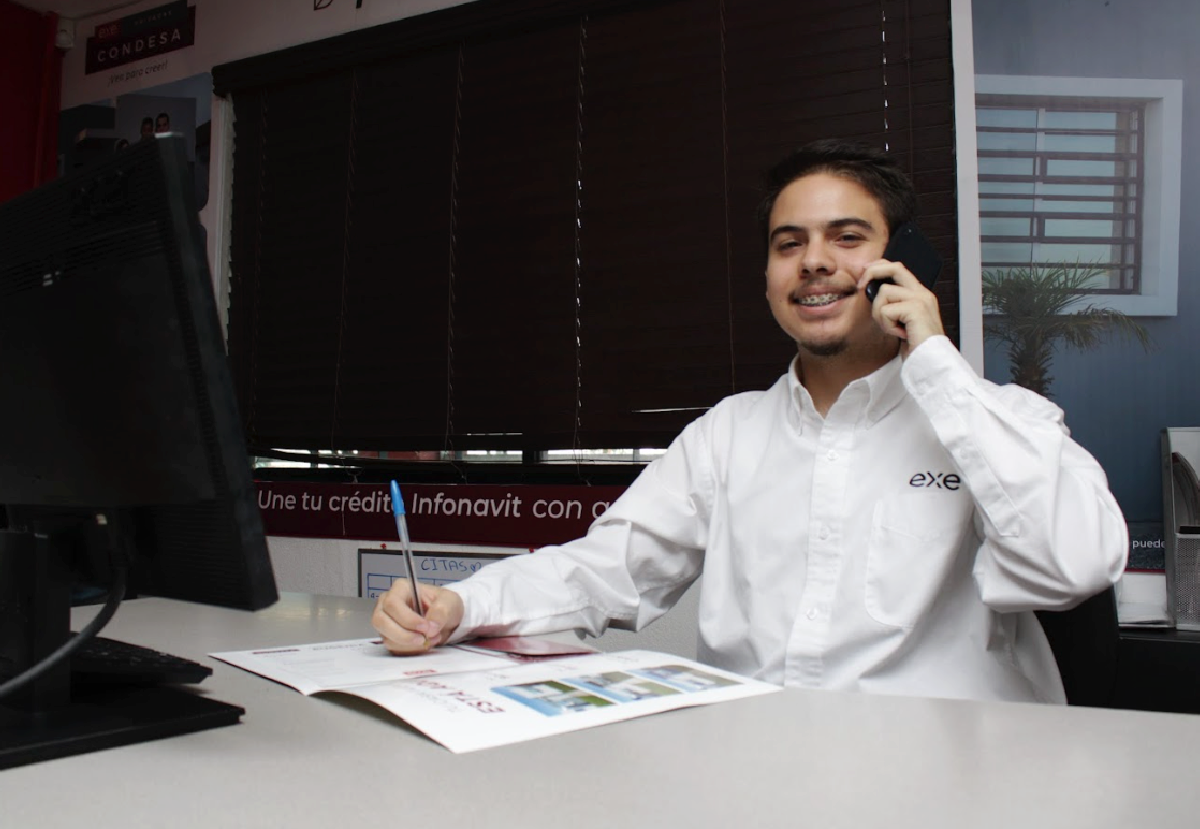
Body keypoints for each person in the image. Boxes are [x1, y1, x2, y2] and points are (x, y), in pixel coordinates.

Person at [372, 139, 1128, 703]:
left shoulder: (1003, 419)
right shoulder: (727, 434)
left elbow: (1073, 565)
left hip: (947, 786)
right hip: (754, 770)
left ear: (907, 265)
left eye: (847, 237)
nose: (813, 261)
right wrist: (464, 604)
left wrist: (935, 361)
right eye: (787, 244)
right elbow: (608, 567)